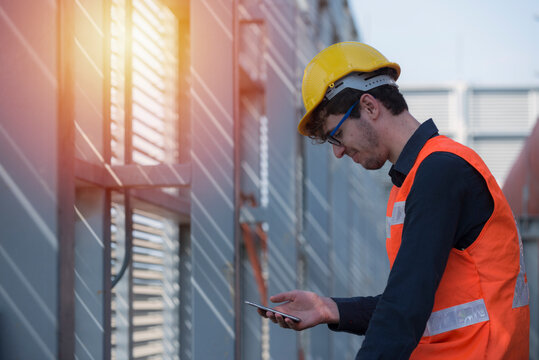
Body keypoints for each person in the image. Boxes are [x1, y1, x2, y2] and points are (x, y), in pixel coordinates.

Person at [257, 42, 530, 359]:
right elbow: (422, 303)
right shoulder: (414, 181)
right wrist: (329, 308)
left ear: (370, 107)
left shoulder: (440, 172)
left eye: (337, 135)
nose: (338, 151)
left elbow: (405, 308)